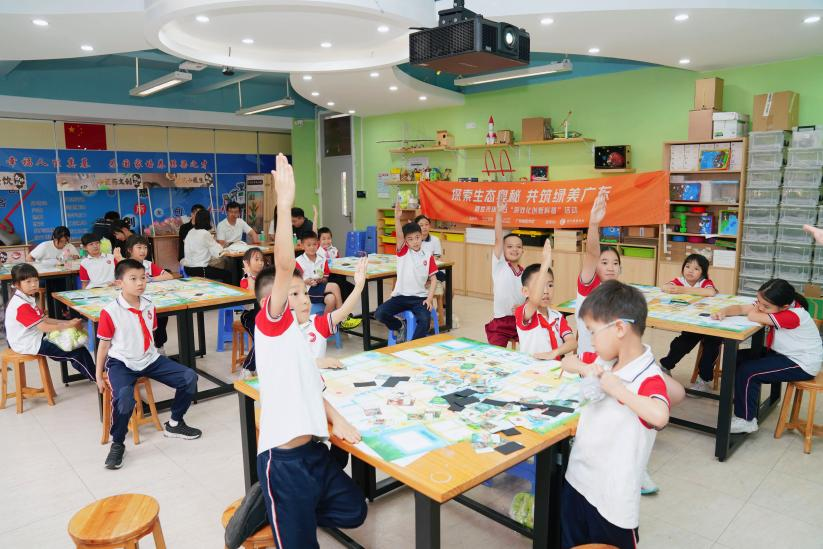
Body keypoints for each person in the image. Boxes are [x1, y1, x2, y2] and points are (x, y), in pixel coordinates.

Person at [255, 154, 367, 547]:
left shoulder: (303, 338)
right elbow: (285, 267)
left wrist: (340, 421)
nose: (303, 299)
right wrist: (284, 206)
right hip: (284, 460)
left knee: (355, 509)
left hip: (314, 451)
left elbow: (315, 390)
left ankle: (280, 507)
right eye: (293, 294)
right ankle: (276, 502)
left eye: (304, 293)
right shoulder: (271, 328)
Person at [559, 281, 671, 549]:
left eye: (593, 332)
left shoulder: (647, 377)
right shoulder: (605, 360)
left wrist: (619, 390)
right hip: (578, 480)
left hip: (612, 501)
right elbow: (572, 365)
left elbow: (659, 416)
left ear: (620, 328)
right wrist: (583, 368)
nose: (591, 340)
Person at [95, 259, 201, 469]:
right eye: (133, 279)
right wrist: (98, 375)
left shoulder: (149, 305)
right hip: (122, 362)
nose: (140, 283)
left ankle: (175, 423)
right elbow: (104, 346)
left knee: (189, 377)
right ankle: (118, 443)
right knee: (125, 397)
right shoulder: (110, 311)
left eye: (143, 278)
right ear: (120, 283)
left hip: (149, 358)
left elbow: (149, 334)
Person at [711, 278, 822, 434]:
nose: (761, 307)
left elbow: (752, 316)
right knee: (738, 357)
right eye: (759, 302)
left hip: (802, 364)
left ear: (784, 306)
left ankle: (746, 420)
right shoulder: (774, 304)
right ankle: (742, 400)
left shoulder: (793, 315)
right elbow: (741, 308)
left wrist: (755, 309)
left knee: (749, 371)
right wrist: (723, 311)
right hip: (784, 354)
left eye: (766, 306)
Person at [4, 263, 96, 382]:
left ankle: (96, 374)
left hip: (35, 336)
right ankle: (98, 379)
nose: (33, 284)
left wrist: (68, 322)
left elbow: (44, 319)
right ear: (17, 284)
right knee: (77, 352)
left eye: (36, 280)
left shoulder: (25, 297)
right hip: (28, 343)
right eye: (28, 282)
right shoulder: (21, 305)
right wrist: (69, 325)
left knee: (73, 340)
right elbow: (44, 327)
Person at [375, 203, 438, 343]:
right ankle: (399, 326)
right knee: (379, 313)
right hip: (400, 297)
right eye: (410, 239)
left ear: (421, 236)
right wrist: (397, 219)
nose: (415, 242)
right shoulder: (403, 252)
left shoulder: (428, 255)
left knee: (425, 321)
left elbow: (433, 279)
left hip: (420, 298)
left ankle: (412, 346)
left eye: (417, 237)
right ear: (406, 242)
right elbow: (399, 237)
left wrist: (429, 299)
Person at [659, 254, 722, 391]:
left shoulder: (704, 282)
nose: (690, 271)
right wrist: (670, 287)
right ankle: (665, 367)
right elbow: (664, 287)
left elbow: (711, 292)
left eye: (696, 269)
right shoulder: (680, 280)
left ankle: (704, 379)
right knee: (681, 344)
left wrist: (682, 290)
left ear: (703, 273)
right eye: (687, 266)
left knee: (711, 346)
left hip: (710, 323)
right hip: (693, 323)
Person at [515, 240, 577, 360]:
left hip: (554, 367)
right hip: (531, 367)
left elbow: (572, 342)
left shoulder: (557, 316)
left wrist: (554, 353)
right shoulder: (524, 312)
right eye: (539, 285)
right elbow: (534, 301)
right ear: (525, 291)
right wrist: (544, 267)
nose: (545, 291)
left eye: (550, 285)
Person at [577, 191, 621, 358]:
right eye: (604, 262)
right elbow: (592, 253)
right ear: (595, 266)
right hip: (589, 360)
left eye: (615, 263)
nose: (611, 268)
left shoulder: (617, 291)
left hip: (611, 358)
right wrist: (593, 223)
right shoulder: (589, 285)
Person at [118, 234, 173, 354]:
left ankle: (159, 346)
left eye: (145, 247)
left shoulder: (148, 264)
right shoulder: (124, 265)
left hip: (149, 299)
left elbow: (169, 276)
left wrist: (149, 279)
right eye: (139, 247)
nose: (143, 251)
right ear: (129, 250)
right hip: (131, 302)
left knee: (162, 315)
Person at [485, 194, 525, 347]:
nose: (514, 249)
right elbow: (498, 239)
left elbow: (531, 297)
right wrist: (499, 213)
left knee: (535, 346)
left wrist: (523, 308)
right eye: (509, 246)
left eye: (518, 247)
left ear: (523, 250)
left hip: (521, 321)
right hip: (500, 323)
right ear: (503, 249)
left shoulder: (525, 273)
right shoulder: (500, 265)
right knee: (495, 354)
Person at [295, 231, 343, 315]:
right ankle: (342, 315)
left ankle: (324, 321)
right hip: (307, 291)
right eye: (309, 245)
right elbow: (296, 282)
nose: (312, 247)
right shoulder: (298, 261)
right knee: (334, 286)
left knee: (331, 299)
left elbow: (325, 279)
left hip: (319, 288)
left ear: (318, 244)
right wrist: (306, 281)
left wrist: (320, 280)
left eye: (314, 244)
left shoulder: (322, 259)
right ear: (302, 246)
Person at [181, 209, 230, 283]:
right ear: (207, 220)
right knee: (228, 274)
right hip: (200, 270)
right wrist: (222, 245)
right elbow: (218, 252)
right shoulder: (205, 233)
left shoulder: (191, 231)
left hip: (188, 269)